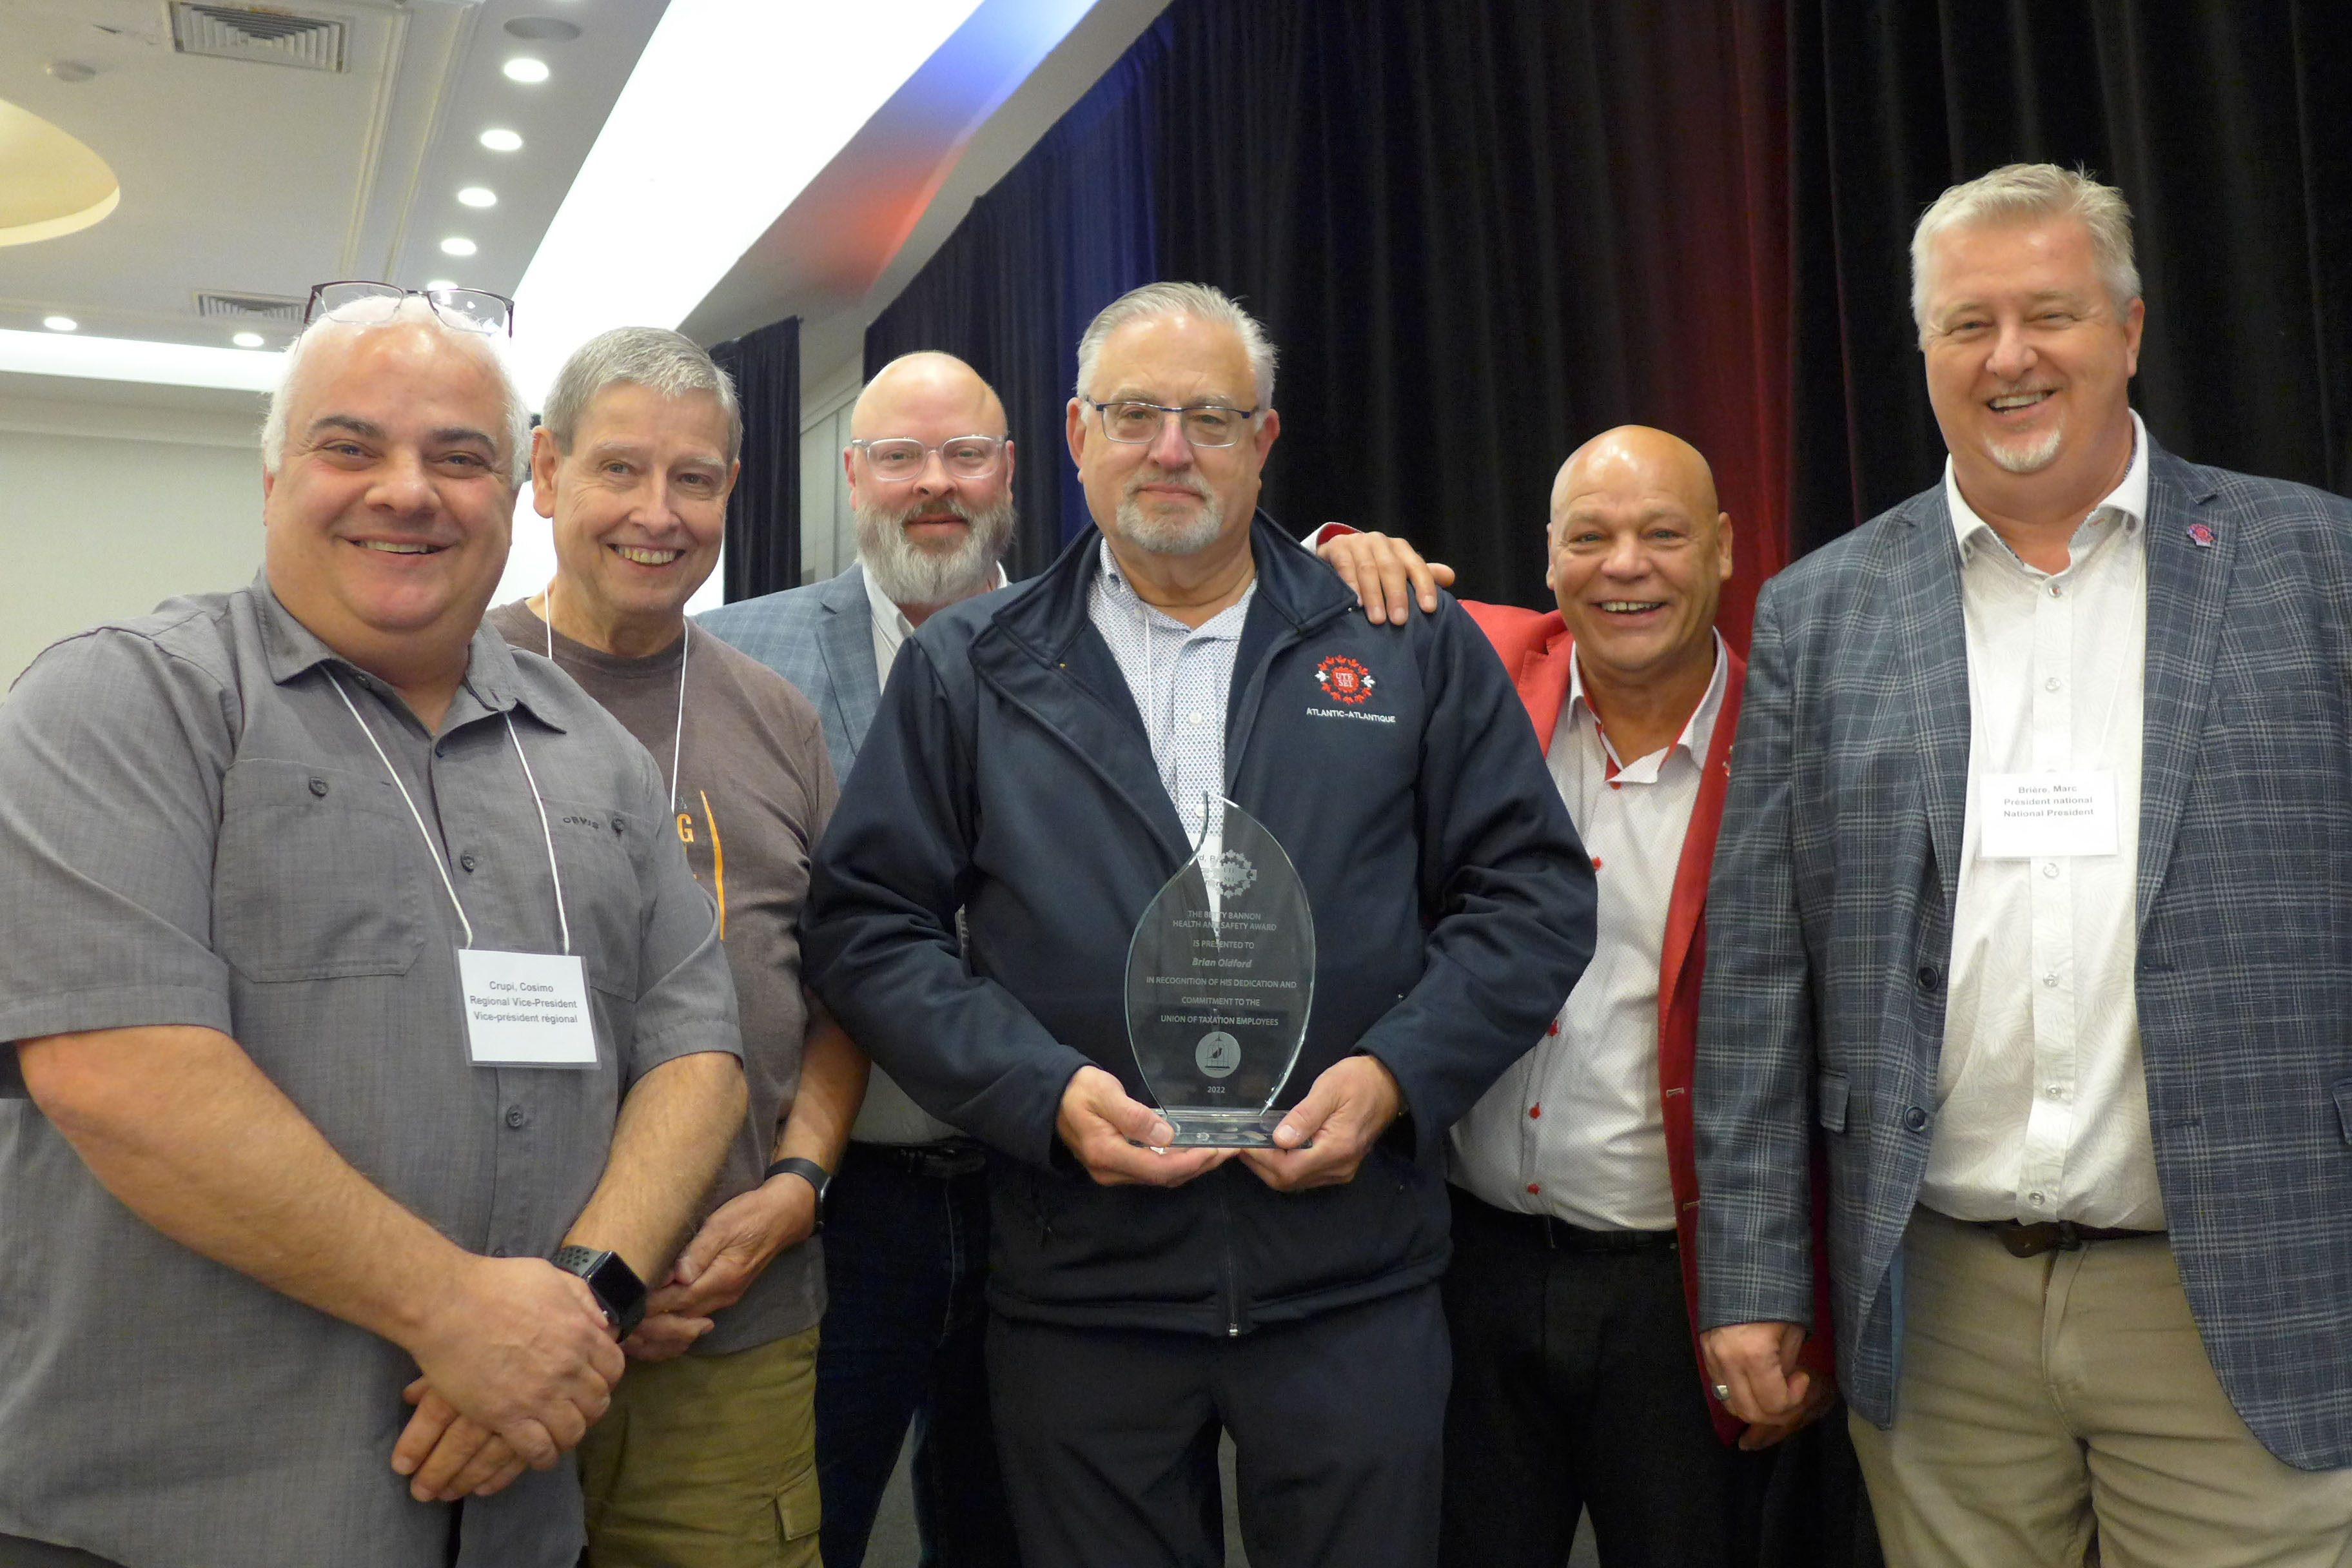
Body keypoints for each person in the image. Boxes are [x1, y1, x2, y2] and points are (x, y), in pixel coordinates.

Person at [801, 280, 1595, 1568]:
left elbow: (1534, 896)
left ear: (1264, 441)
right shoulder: (974, 665)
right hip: (1081, 1285)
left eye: (1211, 418)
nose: (1171, 449)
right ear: (1075, 434)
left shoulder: (1398, 641)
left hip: (1353, 1279)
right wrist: (1038, 1090)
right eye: (1136, 414)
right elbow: (867, 924)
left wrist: (1396, 1075)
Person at [0, 286, 746, 1568]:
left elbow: (700, 1052)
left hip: (513, 1506)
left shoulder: (599, 760)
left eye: (461, 458)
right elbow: (116, 1072)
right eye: (354, 447)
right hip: (174, 1514)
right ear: (278, 471)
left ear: (517, 497)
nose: (410, 491)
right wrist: (456, 1311)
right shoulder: (123, 707)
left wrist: (578, 1305)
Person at [1696, 162, 2352, 1566]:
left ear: (2128, 328)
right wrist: (1750, 1274)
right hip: (1940, 1319)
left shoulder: (2318, 569)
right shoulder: (1821, 613)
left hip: (2249, 1287)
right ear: (1925, 350)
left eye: (2048, 312)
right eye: (1965, 324)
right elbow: (1757, 977)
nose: (2009, 357)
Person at [1320, 429, 1846, 1568]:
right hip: (1465, 1265)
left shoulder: (1796, 751)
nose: (1627, 566)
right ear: (1547, 560)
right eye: (1591, 538)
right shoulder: (1483, 673)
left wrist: (1808, 1308)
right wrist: (1342, 548)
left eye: (1663, 535)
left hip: (1680, 1293)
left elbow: (1837, 1059)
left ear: (1723, 551)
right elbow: (1289, 582)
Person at [482, 325, 866, 1567]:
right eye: (620, 471)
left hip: (728, 1330)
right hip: (480, 1327)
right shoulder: (443, 681)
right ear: (545, 474)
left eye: (694, 479)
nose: (659, 513)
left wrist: (797, 1187)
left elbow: (845, 983)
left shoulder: (777, 719)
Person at [698, 349, 1024, 1568]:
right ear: (852, 477)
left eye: (964, 455)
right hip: (829, 1207)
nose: (933, 485)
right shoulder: (733, 656)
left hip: (1039, 1195)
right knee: (807, 1521)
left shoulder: (1091, 646)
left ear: (1011, 471)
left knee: (1014, 1532)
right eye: (900, 457)